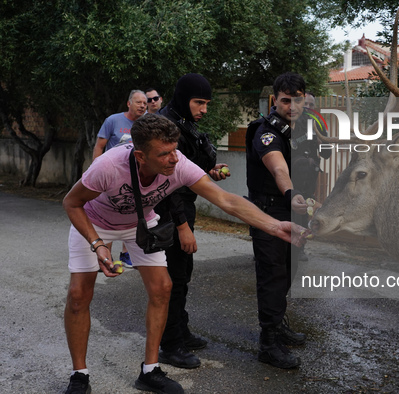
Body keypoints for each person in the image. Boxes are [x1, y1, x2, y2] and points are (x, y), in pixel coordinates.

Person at [62, 113, 306, 394]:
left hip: (139, 224)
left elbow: (226, 200)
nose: (174, 158)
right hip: (95, 224)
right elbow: (72, 203)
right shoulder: (108, 166)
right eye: (164, 154)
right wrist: (97, 243)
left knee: (163, 287)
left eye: (175, 149)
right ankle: (79, 375)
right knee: (79, 295)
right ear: (141, 157)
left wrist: (275, 226)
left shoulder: (179, 164)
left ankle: (150, 370)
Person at [246, 72, 327, 369]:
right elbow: (278, 166)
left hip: (296, 210)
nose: (291, 106)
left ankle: (278, 325)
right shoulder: (265, 131)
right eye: (285, 100)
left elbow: (312, 167)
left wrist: (309, 200)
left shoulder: (306, 128)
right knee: (272, 275)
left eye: (297, 99)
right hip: (269, 211)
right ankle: (268, 344)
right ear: (274, 100)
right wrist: (291, 192)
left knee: (289, 271)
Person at [154, 73, 228, 369]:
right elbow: (166, 185)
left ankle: (179, 331)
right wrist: (182, 226)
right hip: (169, 211)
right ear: (184, 98)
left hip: (183, 206)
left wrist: (211, 171)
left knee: (182, 274)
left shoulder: (183, 124)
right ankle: (170, 345)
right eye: (200, 102)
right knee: (172, 277)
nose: (204, 109)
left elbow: (191, 167)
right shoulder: (165, 127)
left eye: (207, 103)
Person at [92, 89, 147, 268]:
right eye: (139, 102)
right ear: (129, 103)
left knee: (131, 214)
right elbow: (99, 146)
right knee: (107, 215)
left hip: (136, 178)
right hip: (111, 177)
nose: (143, 106)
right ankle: (105, 258)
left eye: (145, 103)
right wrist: (96, 170)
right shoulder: (113, 120)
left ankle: (126, 255)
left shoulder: (147, 123)